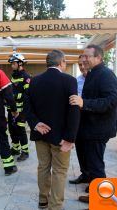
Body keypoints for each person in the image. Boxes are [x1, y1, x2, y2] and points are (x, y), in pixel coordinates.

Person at [25, 50, 80, 210]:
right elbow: (74, 110)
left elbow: (27, 106)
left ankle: (43, 201)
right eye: (65, 62)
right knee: (60, 171)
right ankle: (55, 206)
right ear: (61, 62)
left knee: (43, 167)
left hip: (40, 134)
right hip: (61, 137)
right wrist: (70, 138)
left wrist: (35, 123)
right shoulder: (69, 81)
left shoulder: (34, 81)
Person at [69, 44, 117, 203]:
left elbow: (111, 101)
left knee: (96, 165)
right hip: (89, 127)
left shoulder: (106, 75)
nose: (83, 59)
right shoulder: (92, 73)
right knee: (88, 160)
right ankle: (89, 181)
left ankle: (99, 199)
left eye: (87, 56)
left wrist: (84, 103)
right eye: (83, 56)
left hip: (98, 128)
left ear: (98, 57)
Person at [69, 55, 90, 185]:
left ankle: (93, 178)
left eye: (84, 64)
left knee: (92, 152)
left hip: (93, 120)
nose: (82, 67)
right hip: (79, 119)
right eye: (80, 65)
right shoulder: (77, 81)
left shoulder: (97, 79)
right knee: (80, 148)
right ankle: (85, 174)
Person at [7, 53, 31, 162]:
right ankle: (16, 148)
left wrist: (15, 96)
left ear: (20, 63)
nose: (12, 65)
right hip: (11, 109)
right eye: (11, 63)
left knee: (20, 130)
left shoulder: (26, 77)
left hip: (21, 110)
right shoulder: (13, 76)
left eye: (13, 63)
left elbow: (28, 94)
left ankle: (25, 151)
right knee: (12, 129)